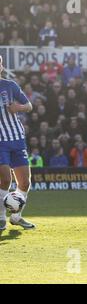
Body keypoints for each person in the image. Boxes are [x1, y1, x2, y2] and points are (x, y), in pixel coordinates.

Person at [0, 55, 35, 234]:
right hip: (0, 142)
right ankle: (1, 219)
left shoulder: (10, 85)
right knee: (5, 179)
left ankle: (15, 216)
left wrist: (18, 108)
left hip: (16, 138)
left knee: (25, 181)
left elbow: (29, 105)